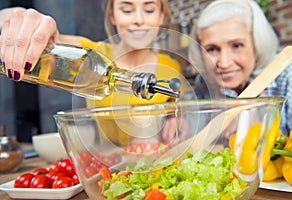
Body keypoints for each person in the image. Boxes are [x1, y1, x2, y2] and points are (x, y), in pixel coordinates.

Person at [0, 0, 188, 145]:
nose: (138, 19)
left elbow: (176, 110)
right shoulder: (92, 56)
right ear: (112, 15)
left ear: (162, 16)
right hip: (107, 166)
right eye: (127, 9)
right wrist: (20, 20)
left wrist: (176, 120)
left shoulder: (171, 67)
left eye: (149, 10)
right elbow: (49, 40)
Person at [188, 0, 292, 136]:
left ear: (257, 43)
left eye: (237, 45)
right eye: (211, 49)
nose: (224, 63)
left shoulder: (291, 75)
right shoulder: (204, 82)